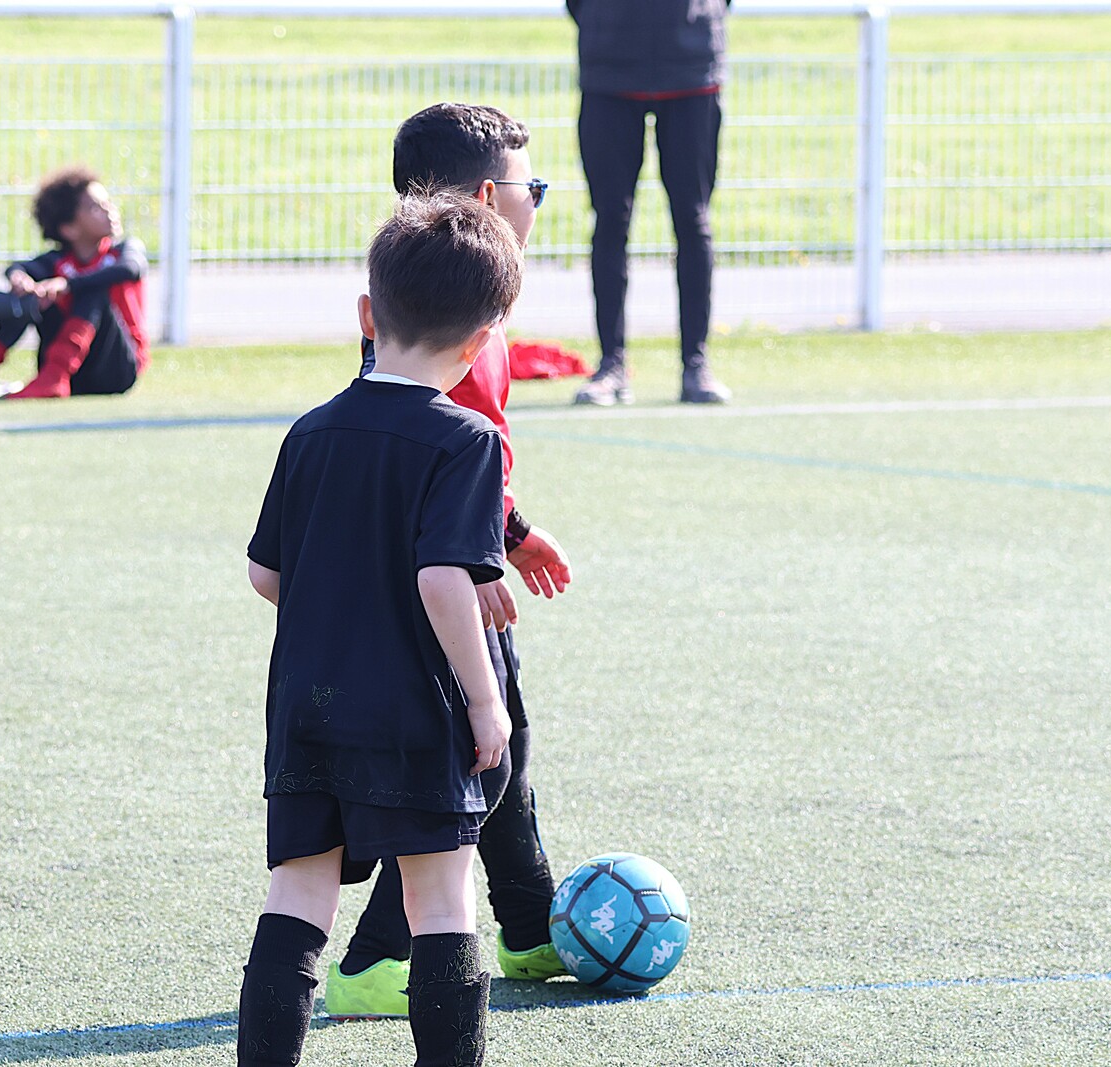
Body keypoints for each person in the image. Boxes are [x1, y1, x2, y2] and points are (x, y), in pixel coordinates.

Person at [239, 192, 523, 1067]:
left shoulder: (311, 430)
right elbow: (442, 577)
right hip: (414, 710)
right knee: (441, 900)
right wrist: (486, 700)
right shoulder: (467, 439)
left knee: (299, 895)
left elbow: (265, 574)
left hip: (308, 703)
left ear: (368, 315)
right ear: (481, 342)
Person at [330, 102, 574, 1020]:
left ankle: (529, 927)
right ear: (486, 197)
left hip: (462, 550)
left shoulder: (457, 303)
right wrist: (481, 557)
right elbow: (430, 458)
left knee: (503, 741)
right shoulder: (448, 323)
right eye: (531, 185)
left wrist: (511, 530)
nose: (537, 199)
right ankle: (375, 959)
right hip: (440, 569)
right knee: (475, 756)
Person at [568, 0, 733, 406]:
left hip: (691, 67)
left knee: (693, 220)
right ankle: (611, 365)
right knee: (610, 220)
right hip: (609, 68)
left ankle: (695, 365)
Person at [0, 167, 149, 401]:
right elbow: (18, 267)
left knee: (92, 290)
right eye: (96, 207)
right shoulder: (57, 261)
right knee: (32, 298)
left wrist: (67, 285)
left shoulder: (124, 251)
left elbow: (131, 268)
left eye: (108, 202)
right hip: (74, 375)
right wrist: (20, 280)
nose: (109, 210)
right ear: (69, 229)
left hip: (117, 369)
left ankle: (54, 377)